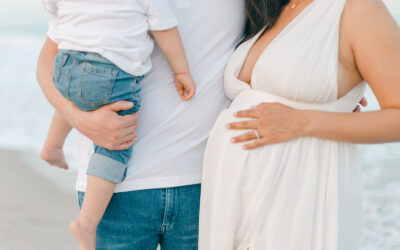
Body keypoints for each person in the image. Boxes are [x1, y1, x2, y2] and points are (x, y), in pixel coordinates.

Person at [36, 0, 246, 249]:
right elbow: (47, 62)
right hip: (117, 190)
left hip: (203, 182)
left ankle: (53, 146)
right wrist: (80, 119)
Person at [198, 0, 400, 249]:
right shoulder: (274, 8)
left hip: (299, 190)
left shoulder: (359, 8)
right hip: (232, 199)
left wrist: (303, 121)